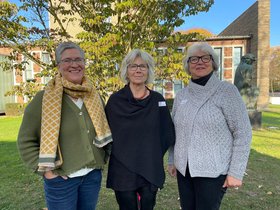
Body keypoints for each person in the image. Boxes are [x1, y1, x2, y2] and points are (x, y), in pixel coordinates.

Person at [17, 41, 112, 210]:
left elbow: (105, 129)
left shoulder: (94, 97)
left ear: (84, 63)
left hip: (92, 176)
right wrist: (46, 171)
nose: (74, 64)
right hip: (61, 179)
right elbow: (25, 140)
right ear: (59, 66)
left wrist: (103, 157)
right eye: (67, 60)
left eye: (78, 59)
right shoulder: (44, 99)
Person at [168, 42, 252, 210]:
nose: (200, 62)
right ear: (188, 65)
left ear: (213, 63)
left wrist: (235, 172)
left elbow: (243, 132)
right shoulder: (181, 95)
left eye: (205, 58)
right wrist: (172, 160)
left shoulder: (227, 91)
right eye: (194, 59)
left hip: (213, 172)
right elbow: (174, 131)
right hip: (185, 170)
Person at [105, 49, 175, 210]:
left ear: (148, 71)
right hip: (123, 168)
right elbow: (105, 132)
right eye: (133, 66)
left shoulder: (158, 100)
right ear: (126, 71)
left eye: (143, 66)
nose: (138, 70)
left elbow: (167, 133)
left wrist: (156, 154)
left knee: (148, 206)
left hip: (150, 165)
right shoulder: (115, 101)